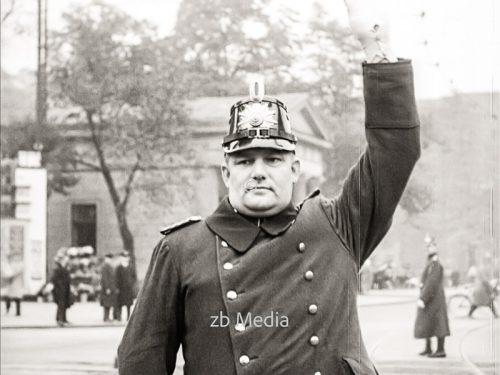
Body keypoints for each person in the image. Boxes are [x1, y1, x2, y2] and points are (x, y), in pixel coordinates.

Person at [117, 1, 421, 373]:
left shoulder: (339, 224)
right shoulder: (181, 248)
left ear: (295, 169)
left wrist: (378, 49)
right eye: (245, 161)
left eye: (273, 160)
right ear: (226, 174)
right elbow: (141, 361)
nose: (258, 172)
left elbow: (395, 153)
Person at [414, 243, 450, 358]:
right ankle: (428, 348)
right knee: (429, 322)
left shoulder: (435, 263)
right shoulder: (432, 262)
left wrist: (423, 298)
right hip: (433, 298)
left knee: (438, 324)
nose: (428, 250)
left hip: (434, 299)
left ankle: (440, 350)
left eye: (431, 248)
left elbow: (431, 283)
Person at [51, 256, 72, 326]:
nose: (66, 262)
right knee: (61, 305)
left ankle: (63, 319)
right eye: (65, 260)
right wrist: (61, 286)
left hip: (65, 289)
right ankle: (60, 320)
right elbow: (54, 279)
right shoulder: (58, 269)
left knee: (64, 305)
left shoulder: (64, 268)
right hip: (60, 290)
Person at [114, 251, 135, 321]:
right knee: (120, 303)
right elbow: (116, 278)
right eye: (124, 257)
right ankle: (119, 317)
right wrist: (116, 287)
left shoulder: (131, 267)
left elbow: (134, 277)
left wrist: (132, 284)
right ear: (121, 258)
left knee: (128, 304)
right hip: (121, 288)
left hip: (128, 289)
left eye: (127, 257)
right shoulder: (119, 267)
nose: (126, 259)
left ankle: (128, 318)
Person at [100, 253, 117, 322]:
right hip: (106, 289)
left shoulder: (109, 266)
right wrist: (107, 288)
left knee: (109, 303)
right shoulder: (105, 267)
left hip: (110, 288)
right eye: (108, 259)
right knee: (106, 303)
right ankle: (105, 317)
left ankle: (107, 317)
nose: (109, 260)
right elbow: (105, 278)